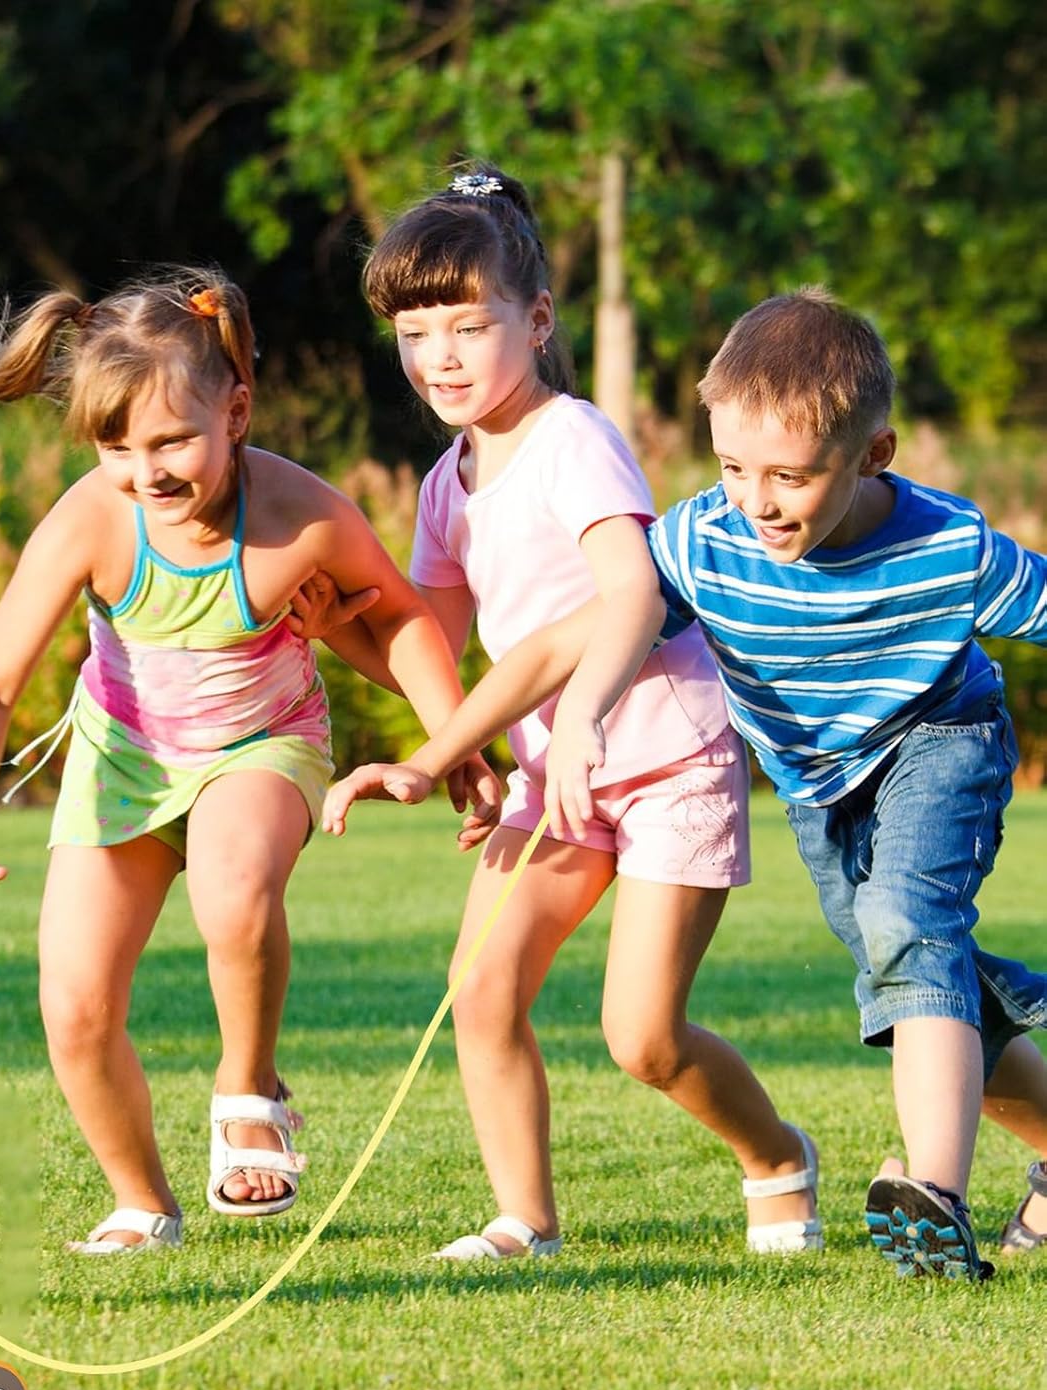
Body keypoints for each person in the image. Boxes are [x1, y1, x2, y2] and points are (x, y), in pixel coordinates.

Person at [327, 285, 1047, 1280]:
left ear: (873, 454)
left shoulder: (948, 547)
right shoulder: (706, 541)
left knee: (908, 932)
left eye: (791, 476)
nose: (758, 502)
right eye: (734, 468)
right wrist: (432, 755)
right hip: (819, 784)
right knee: (912, 971)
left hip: (941, 740)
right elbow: (557, 648)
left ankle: (934, 1197)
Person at [0, 267, 491, 1253]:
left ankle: (247, 1087)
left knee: (232, 893)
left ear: (235, 411)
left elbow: (401, 619)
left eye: (172, 441)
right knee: (75, 1007)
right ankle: (143, 1201)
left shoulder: (299, 514)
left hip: (263, 746)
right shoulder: (94, 521)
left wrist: (456, 744)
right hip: (125, 764)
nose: (147, 473)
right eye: (117, 448)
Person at [316, 167, 822, 1262]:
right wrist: (332, 634)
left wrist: (582, 712)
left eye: (469, 326)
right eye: (414, 333)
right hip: (556, 776)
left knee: (642, 1038)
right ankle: (524, 1220)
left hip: (667, 756)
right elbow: (430, 650)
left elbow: (632, 594)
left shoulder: (573, 439)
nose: (440, 356)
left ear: (537, 321)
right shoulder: (445, 484)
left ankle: (778, 1157)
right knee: (480, 990)